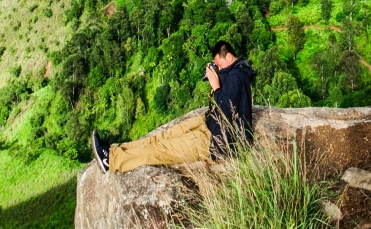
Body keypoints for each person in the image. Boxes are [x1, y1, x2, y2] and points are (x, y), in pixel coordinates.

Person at [90, 40, 256, 174]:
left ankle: (111, 161)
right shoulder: (237, 70)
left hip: (216, 142)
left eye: (218, 65)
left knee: (160, 150)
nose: (218, 69)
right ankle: (113, 150)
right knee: (161, 137)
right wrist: (218, 82)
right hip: (209, 124)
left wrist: (216, 86)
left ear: (228, 56)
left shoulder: (236, 76)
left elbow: (226, 110)